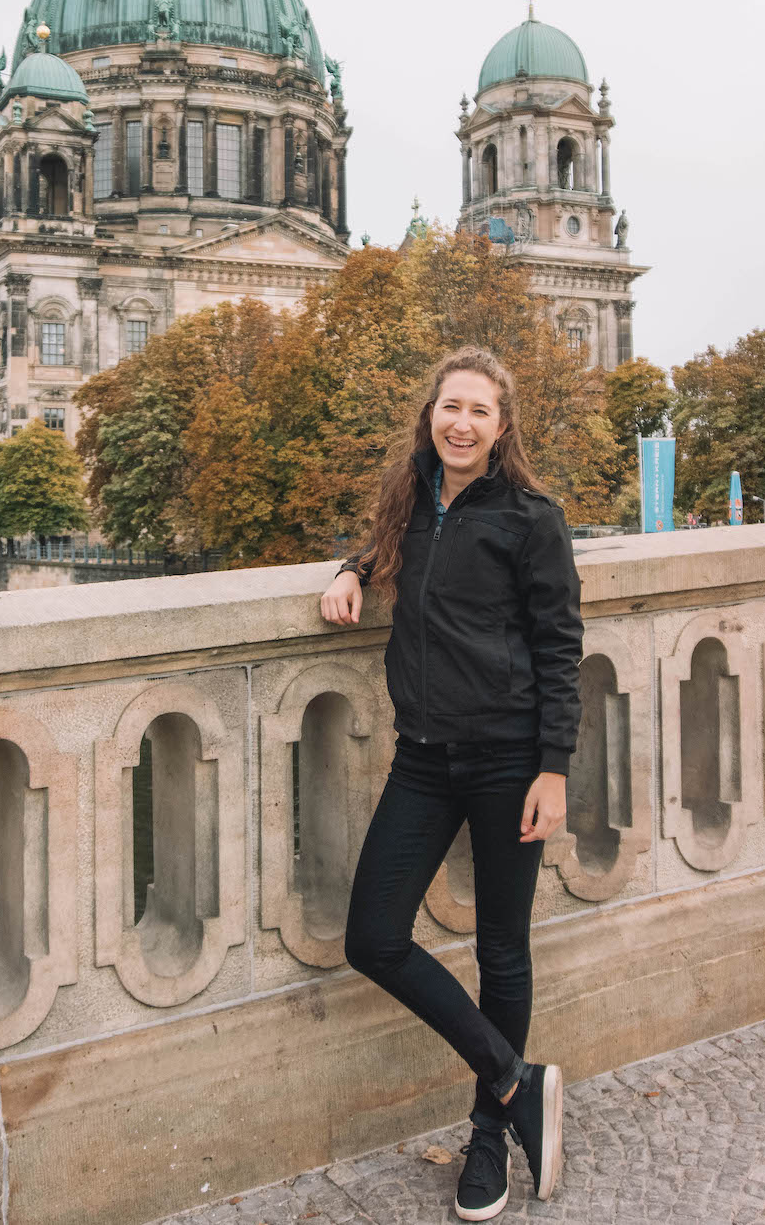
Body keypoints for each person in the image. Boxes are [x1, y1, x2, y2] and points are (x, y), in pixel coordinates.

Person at [320, 346, 583, 1221]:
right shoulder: (412, 498)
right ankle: (516, 1081)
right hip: (424, 759)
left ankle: (486, 1136)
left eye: (478, 410)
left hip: (510, 759)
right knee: (373, 938)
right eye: (449, 407)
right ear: (430, 413)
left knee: (502, 950)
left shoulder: (530, 518)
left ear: (501, 427)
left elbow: (558, 648)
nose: (460, 423)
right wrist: (351, 571)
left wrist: (554, 767)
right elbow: (384, 546)